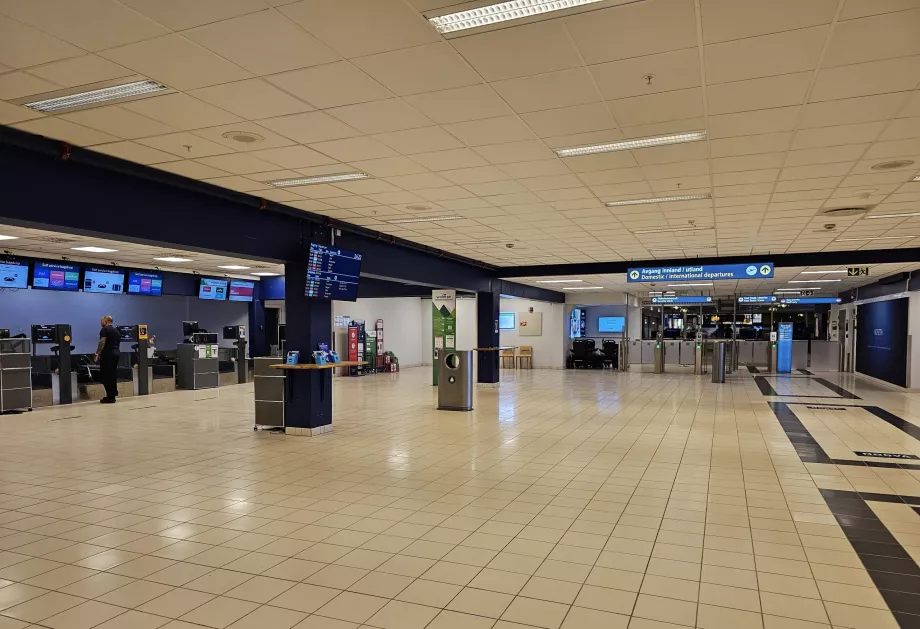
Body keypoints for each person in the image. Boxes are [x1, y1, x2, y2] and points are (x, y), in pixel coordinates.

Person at [94, 315, 120, 403]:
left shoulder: (105, 329)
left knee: (105, 375)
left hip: (107, 355)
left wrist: (97, 353)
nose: (100, 322)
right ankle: (112, 395)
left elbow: (102, 342)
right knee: (112, 375)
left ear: (106, 321)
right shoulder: (116, 330)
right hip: (116, 354)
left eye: (101, 320)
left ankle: (110, 397)